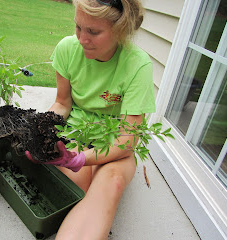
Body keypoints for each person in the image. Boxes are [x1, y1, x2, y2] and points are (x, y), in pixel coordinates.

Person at [26, 0, 155, 239]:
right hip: (76, 134)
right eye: (78, 27)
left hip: (115, 145)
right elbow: (63, 103)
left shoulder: (137, 65)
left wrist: (84, 158)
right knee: (81, 184)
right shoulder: (68, 49)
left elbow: (127, 140)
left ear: (120, 30)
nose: (82, 39)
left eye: (93, 32)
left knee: (111, 183)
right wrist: (40, 131)